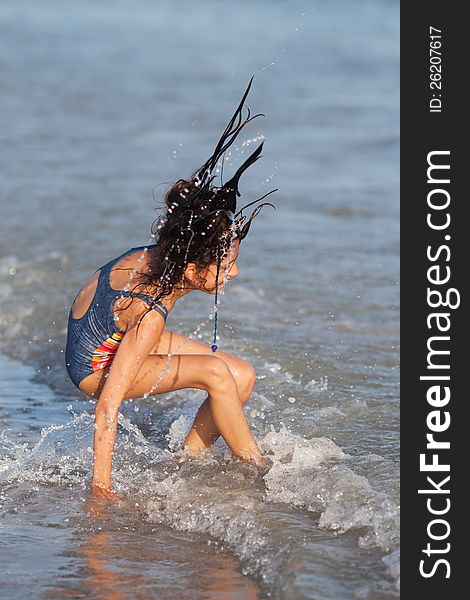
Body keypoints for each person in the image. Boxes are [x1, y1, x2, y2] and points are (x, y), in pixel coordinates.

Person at [64, 76, 277, 499]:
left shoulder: (163, 254)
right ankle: (259, 473)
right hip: (93, 367)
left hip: (115, 331)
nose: (232, 275)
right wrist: (100, 491)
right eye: (226, 265)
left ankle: (186, 463)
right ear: (194, 267)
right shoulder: (149, 306)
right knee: (217, 373)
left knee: (242, 375)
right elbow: (108, 404)